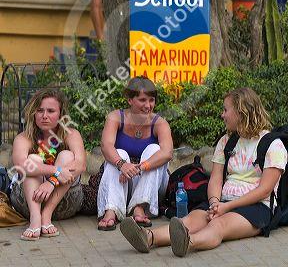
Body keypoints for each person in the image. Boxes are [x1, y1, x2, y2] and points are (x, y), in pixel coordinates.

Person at [120, 87, 287, 257]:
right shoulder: (226, 141)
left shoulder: (273, 145)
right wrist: (215, 202)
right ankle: (148, 237)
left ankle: (188, 242)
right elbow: (215, 179)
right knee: (190, 220)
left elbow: (265, 190)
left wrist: (227, 207)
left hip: (257, 207)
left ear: (241, 112)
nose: (222, 115)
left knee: (218, 225)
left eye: (225, 110)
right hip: (222, 201)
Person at [97, 76, 173, 231]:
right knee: (118, 153)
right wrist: (122, 164)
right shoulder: (115, 117)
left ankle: (139, 206)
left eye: (151, 100)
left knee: (155, 150)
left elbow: (167, 153)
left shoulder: (160, 123)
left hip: (152, 185)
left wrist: (140, 167)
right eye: (142, 100)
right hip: (123, 181)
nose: (148, 105)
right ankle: (111, 210)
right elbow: (106, 146)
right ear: (130, 100)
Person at [10, 88, 86, 241]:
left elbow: (80, 164)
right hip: (27, 203)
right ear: (34, 114)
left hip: (65, 202)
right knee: (32, 160)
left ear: (60, 114)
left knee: (67, 156)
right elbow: (20, 166)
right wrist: (57, 171)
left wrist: (52, 181)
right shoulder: (23, 138)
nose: (44, 116)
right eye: (40, 111)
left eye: (51, 111)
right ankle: (36, 218)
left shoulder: (71, 134)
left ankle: (46, 215)